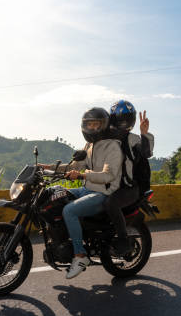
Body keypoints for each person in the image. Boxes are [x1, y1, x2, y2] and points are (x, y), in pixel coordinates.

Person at [39, 107, 123, 279]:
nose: (91, 128)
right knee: (56, 196)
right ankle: (59, 242)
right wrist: (47, 167)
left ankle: (80, 255)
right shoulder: (89, 146)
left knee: (69, 210)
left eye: (95, 124)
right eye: (88, 124)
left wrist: (83, 175)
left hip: (103, 193)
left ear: (104, 125)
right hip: (87, 189)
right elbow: (73, 167)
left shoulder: (113, 146)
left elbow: (108, 175)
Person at [103, 100, 154, 256]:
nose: (121, 119)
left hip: (128, 188)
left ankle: (124, 242)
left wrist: (144, 133)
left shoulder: (132, 138)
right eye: (117, 116)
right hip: (109, 185)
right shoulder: (106, 137)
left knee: (111, 203)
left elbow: (146, 152)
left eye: (124, 116)